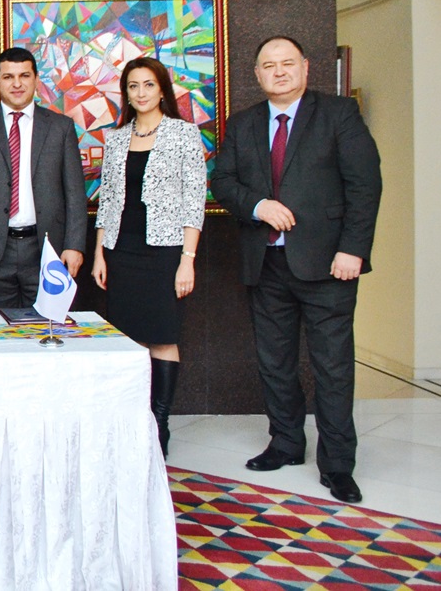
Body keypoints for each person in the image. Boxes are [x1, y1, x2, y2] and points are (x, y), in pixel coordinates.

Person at [210, 36, 381, 504]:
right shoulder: (244, 123)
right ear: (257, 74)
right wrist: (259, 205)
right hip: (266, 262)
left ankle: (338, 464)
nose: (279, 72)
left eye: (287, 63)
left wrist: (353, 251)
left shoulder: (338, 114)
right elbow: (223, 180)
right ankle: (286, 443)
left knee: (333, 367)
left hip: (329, 265)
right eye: (269, 65)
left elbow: (365, 186)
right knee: (275, 362)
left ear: (305, 67)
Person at [90, 57, 206, 458]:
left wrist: (187, 259)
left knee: (162, 336)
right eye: (133, 86)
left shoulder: (183, 134)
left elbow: (194, 201)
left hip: (165, 250)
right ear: (126, 93)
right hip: (122, 250)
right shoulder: (116, 139)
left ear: (162, 90)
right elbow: (107, 200)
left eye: (148, 84)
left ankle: (160, 422)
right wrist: (99, 253)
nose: (141, 93)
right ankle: (133, 422)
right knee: (130, 340)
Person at [0, 47, 87, 311]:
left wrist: (74, 245)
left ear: (36, 80)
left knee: (46, 328)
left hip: (47, 250)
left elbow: (74, 193)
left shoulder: (60, 127)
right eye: (8, 77)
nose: (17, 84)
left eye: (24, 76)